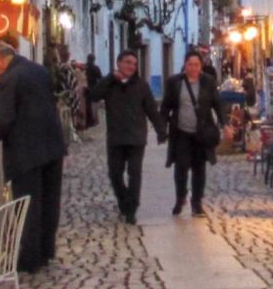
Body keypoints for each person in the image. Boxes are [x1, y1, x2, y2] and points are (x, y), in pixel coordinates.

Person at [0, 37, 67, 272]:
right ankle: (45, 251)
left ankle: (30, 258)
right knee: (49, 201)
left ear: (1, 58)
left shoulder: (10, 78)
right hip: (52, 146)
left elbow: (2, 118)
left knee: (28, 204)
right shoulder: (38, 70)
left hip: (26, 151)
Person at [89, 49, 167, 224]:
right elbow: (94, 95)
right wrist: (110, 78)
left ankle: (131, 209)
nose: (131, 66)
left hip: (136, 137)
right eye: (127, 62)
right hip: (116, 138)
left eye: (133, 63)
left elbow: (152, 110)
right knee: (115, 174)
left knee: (134, 173)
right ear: (119, 63)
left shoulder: (141, 86)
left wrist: (161, 130)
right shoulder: (109, 84)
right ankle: (124, 200)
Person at [162, 51, 223, 217]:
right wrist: (162, 126)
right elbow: (166, 105)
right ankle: (180, 197)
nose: (193, 68)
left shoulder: (208, 82)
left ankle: (197, 202)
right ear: (185, 65)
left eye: (196, 65)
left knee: (199, 168)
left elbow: (217, 104)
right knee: (181, 167)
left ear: (201, 66)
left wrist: (225, 124)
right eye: (190, 64)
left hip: (201, 133)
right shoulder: (174, 82)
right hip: (181, 132)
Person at [83, 53, 102, 128]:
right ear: (94, 60)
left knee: (86, 105)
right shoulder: (96, 68)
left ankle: (88, 120)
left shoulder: (84, 67)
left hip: (85, 88)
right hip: (93, 88)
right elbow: (100, 78)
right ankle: (93, 120)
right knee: (93, 105)